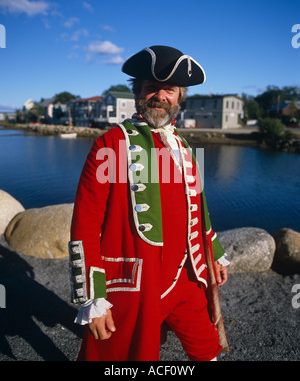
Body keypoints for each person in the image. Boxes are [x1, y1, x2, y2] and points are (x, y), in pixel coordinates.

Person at [69, 45, 230, 361]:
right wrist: (93, 298)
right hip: (138, 286)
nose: (161, 96)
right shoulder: (111, 145)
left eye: (169, 89)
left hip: (187, 279)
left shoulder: (182, 145)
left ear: (179, 97)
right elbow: (84, 226)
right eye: (151, 87)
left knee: (208, 350)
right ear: (138, 93)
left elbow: (198, 206)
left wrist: (215, 254)